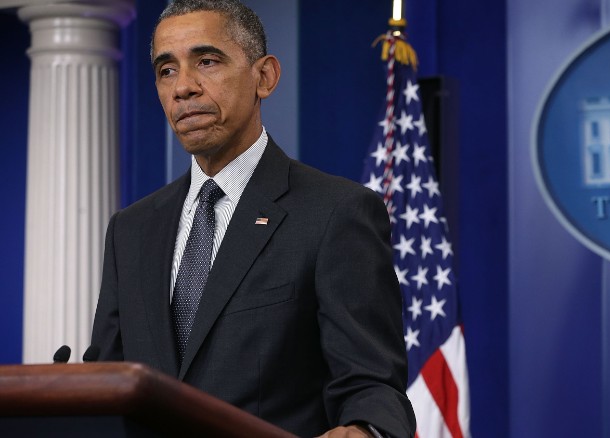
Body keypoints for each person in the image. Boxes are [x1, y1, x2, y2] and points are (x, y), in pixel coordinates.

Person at [90, 1, 415, 436]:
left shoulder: (336, 212)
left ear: (265, 77)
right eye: (166, 70)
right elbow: (107, 386)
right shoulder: (130, 230)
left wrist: (364, 429)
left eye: (206, 61)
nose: (183, 87)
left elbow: (372, 385)